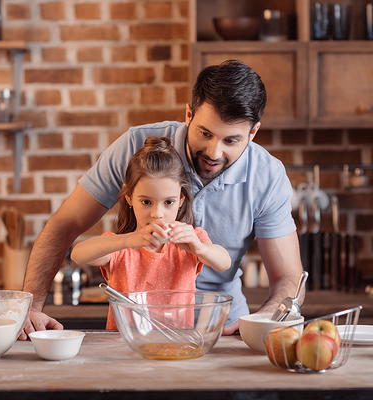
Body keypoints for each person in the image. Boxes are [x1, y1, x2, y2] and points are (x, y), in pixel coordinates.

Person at [20, 59, 304, 340]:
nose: (214, 152)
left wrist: (266, 319)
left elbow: (288, 278)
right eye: (205, 134)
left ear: (253, 133)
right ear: (189, 114)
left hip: (222, 333)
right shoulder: (137, 147)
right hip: (136, 334)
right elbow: (64, 226)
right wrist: (31, 309)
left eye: (231, 140)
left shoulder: (267, 175)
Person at [70, 136, 231, 330]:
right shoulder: (123, 247)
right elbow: (78, 254)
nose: (157, 214)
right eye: (146, 202)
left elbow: (224, 262)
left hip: (176, 345)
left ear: (180, 199)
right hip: (124, 348)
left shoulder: (192, 241)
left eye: (168, 202)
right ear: (129, 197)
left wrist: (199, 248)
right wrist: (129, 240)